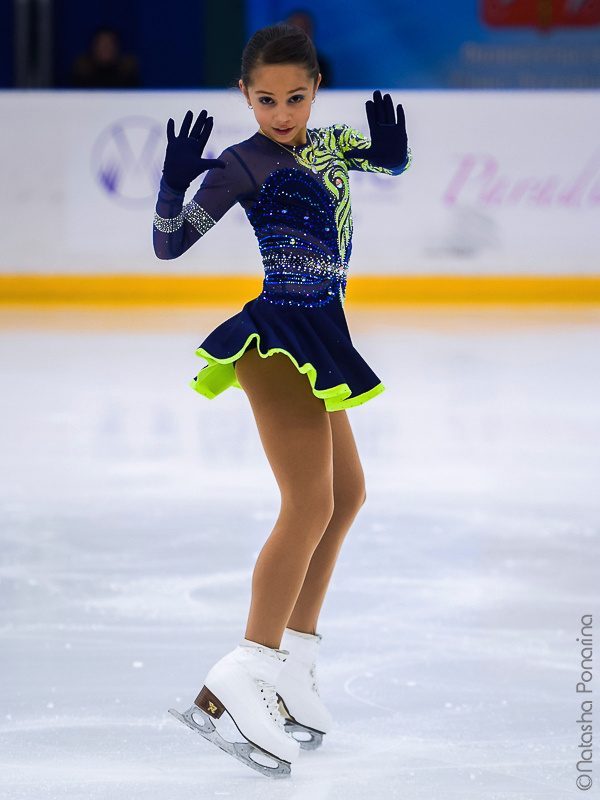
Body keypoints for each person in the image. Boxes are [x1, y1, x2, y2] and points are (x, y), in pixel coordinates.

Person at [153, 23, 411, 778]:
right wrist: (174, 183)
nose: (282, 113)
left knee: (349, 494)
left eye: (295, 98)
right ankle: (245, 668)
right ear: (245, 94)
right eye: (266, 99)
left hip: (322, 333)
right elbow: (171, 243)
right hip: (275, 339)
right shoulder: (242, 163)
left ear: (314, 91)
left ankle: (293, 661)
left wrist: (394, 153)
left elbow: (385, 162)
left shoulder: (327, 144)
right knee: (307, 503)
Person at [71, 26, 140, 88]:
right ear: (93, 47)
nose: (106, 48)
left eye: (109, 44)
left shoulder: (127, 74)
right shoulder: (83, 75)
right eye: (102, 44)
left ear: (117, 47)